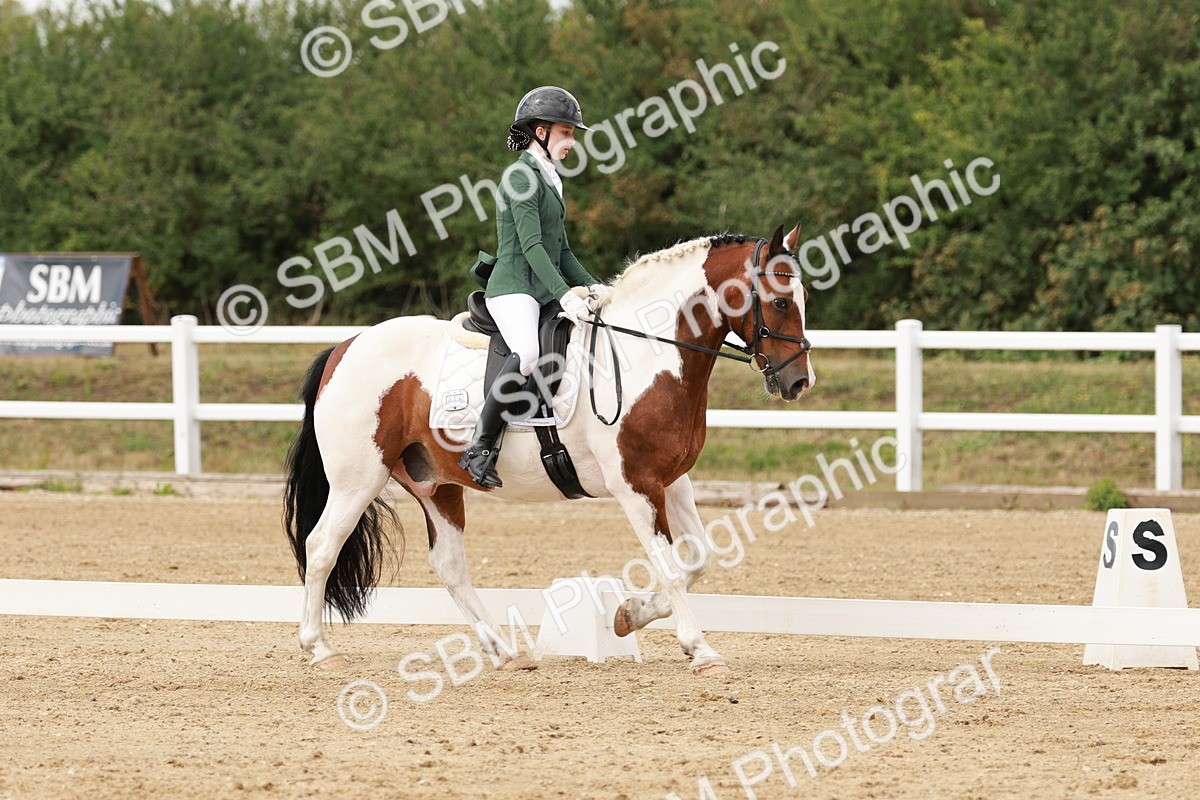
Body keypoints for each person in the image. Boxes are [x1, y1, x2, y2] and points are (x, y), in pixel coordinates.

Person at [458, 86, 610, 489]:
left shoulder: (550, 179)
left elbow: (562, 251)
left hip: (539, 287)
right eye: (566, 133)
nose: (572, 142)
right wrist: (564, 294)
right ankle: (480, 447)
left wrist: (598, 289)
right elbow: (532, 247)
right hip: (512, 287)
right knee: (527, 351)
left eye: (572, 134)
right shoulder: (520, 178)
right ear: (541, 132)